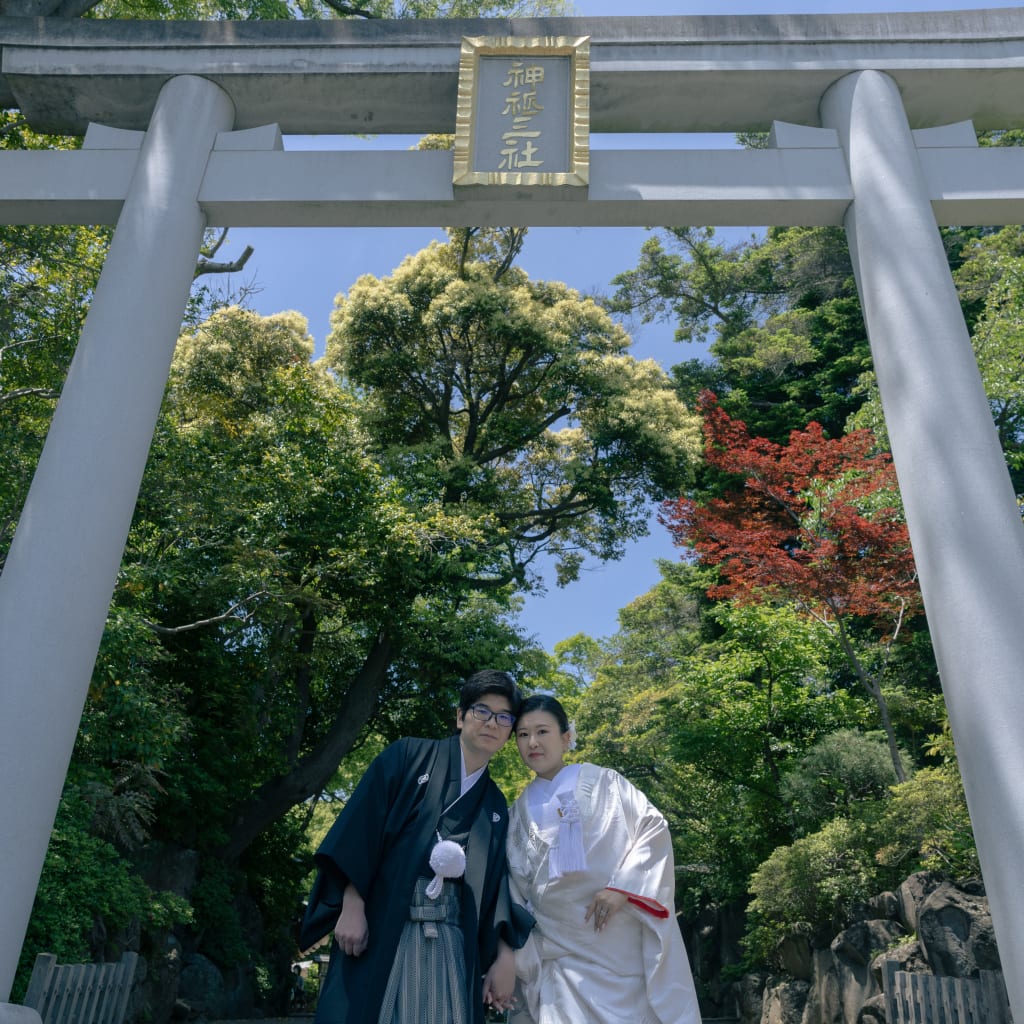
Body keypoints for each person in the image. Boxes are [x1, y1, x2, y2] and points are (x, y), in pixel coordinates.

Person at [298, 669, 532, 1024]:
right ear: (460, 716)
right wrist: (352, 903)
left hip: (452, 940)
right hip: (384, 926)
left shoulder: (495, 805)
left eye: (504, 717)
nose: (492, 723)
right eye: (482, 711)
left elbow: (498, 887)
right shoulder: (407, 757)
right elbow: (361, 831)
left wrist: (503, 955)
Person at [506, 694, 701, 1024]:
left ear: (567, 737)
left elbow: (652, 829)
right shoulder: (516, 814)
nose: (533, 743)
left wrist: (623, 888)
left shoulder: (606, 783)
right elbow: (515, 886)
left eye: (542, 731)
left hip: (618, 939)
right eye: (523, 735)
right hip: (560, 955)